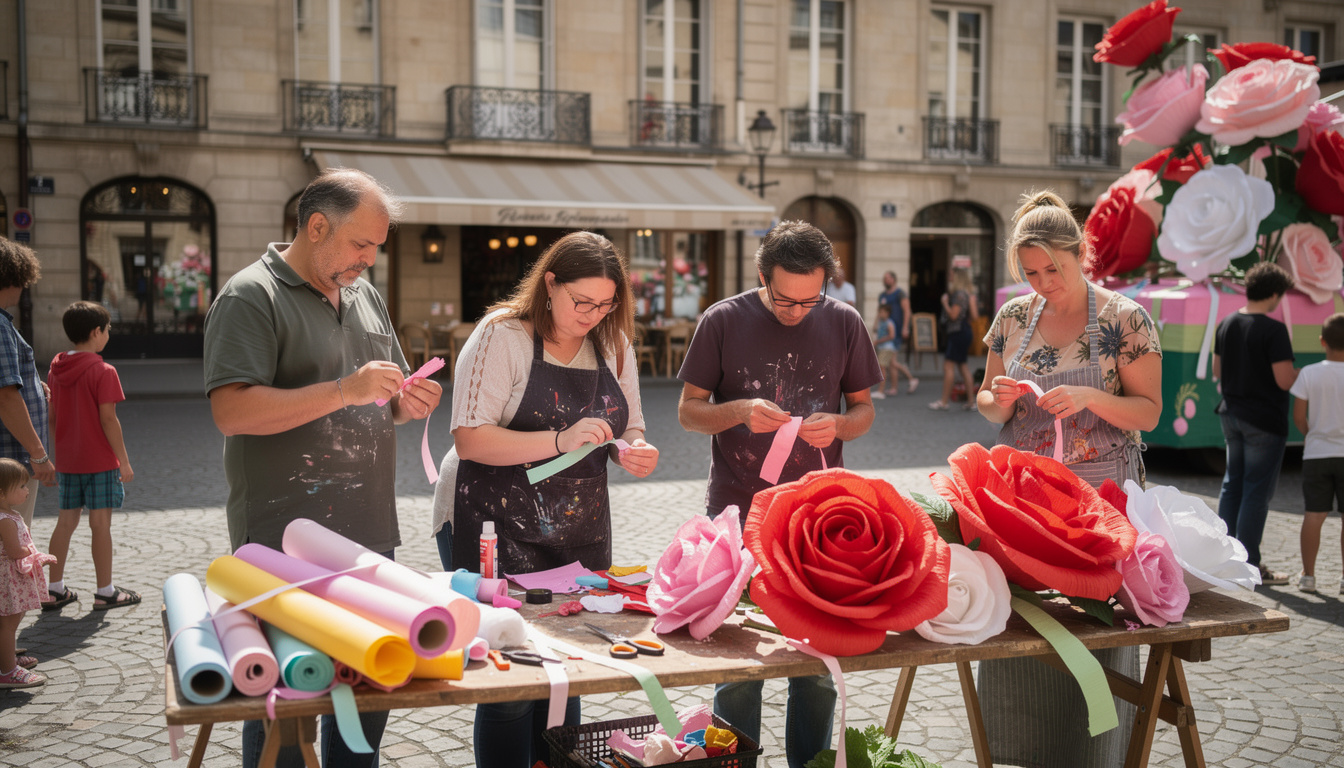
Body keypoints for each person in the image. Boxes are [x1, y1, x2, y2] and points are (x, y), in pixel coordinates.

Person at [204, 168, 442, 768]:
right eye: (361, 244)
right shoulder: (249, 295)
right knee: (289, 701)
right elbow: (231, 412)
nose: (370, 259)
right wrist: (344, 390)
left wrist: (406, 402)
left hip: (369, 531)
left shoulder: (365, 294)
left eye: (377, 247)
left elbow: (382, 398)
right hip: (282, 539)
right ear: (316, 228)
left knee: (371, 688)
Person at [430, 231, 659, 768]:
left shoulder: (613, 344)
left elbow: (632, 426)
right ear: (550, 284)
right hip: (491, 521)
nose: (592, 315)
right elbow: (470, 438)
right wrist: (560, 440)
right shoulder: (502, 335)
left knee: (566, 671)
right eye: (582, 301)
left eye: (605, 305)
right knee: (512, 682)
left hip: (578, 526)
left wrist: (634, 450)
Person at [676, 220, 881, 768]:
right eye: (785, 299)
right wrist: (739, 410)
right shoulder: (721, 320)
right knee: (739, 668)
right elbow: (689, 412)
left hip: (820, 521)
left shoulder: (844, 321)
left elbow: (864, 411)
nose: (797, 311)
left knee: (817, 669)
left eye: (810, 300)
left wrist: (840, 425)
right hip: (737, 516)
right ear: (762, 276)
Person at [976, 191, 1162, 768]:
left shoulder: (1125, 318)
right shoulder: (1013, 318)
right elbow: (987, 404)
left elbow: (1149, 412)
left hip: (1100, 501)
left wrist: (1089, 397)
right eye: (1030, 272)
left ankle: (1095, 752)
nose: (1043, 283)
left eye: (1052, 269)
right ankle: (1018, 747)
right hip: (1025, 499)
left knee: (1094, 623)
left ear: (1081, 254)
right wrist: (999, 397)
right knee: (1023, 620)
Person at [45, 301, 139, 611]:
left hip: (69, 461)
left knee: (65, 523)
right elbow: (109, 420)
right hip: (99, 461)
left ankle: (54, 589)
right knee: (100, 525)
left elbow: (52, 417)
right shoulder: (103, 370)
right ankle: (105, 592)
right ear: (96, 332)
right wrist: (123, 460)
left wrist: (58, 453)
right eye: (108, 329)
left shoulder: (56, 369)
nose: (108, 334)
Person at [1213, 261, 1298, 586]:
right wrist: (1302, 374)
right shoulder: (1274, 330)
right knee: (1255, 491)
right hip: (1263, 419)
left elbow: (1217, 370)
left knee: (1232, 484)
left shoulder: (1226, 322)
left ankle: (1224, 558)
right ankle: (1250, 564)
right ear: (1274, 294)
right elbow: (1284, 379)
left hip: (1230, 413)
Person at [0, 237, 55, 544]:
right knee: (13, 543)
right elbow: (6, 396)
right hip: (11, 460)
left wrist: (33, 382)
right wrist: (38, 455)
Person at [1291, 313, 1344, 594]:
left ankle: (1308, 576)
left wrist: (1311, 434)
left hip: (1316, 453)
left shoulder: (1309, 373)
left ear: (1322, 341)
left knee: (1313, 514)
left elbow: (1299, 417)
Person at [0, 457, 53, 689]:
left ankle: (6, 660)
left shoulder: (10, 515)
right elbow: (14, 551)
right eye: (21, 486)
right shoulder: (5, 520)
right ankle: (8, 671)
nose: (27, 490)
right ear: (2, 494)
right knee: (9, 624)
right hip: (8, 579)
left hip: (10, 577)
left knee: (8, 622)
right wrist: (31, 552)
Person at [928, 266, 977, 410]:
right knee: (963, 366)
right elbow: (975, 316)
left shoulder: (958, 294)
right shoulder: (967, 294)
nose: (949, 277)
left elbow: (953, 315)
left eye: (951, 274)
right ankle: (971, 402)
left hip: (957, 332)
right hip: (964, 331)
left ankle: (944, 402)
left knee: (948, 366)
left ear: (957, 277)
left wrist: (944, 303)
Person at [877, 270, 917, 394]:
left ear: (893, 280)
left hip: (896, 331)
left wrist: (905, 327)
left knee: (892, 361)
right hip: (886, 331)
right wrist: (876, 326)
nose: (885, 280)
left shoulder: (900, 294)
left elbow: (907, 311)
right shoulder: (882, 295)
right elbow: (879, 312)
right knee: (892, 361)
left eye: (887, 278)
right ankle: (894, 387)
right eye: (884, 278)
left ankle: (911, 379)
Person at [871, 304, 898, 399]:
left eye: (882, 312)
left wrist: (878, 341)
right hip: (883, 348)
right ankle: (892, 388)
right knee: (892, 365)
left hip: (887, 348)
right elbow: (874, 329)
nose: (880, 314)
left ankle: (881, 391)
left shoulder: (889, 323)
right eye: (880, 312)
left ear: (888, 313)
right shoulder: (881, 322)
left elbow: (892, 335)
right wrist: (877, 317)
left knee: (882, 368)